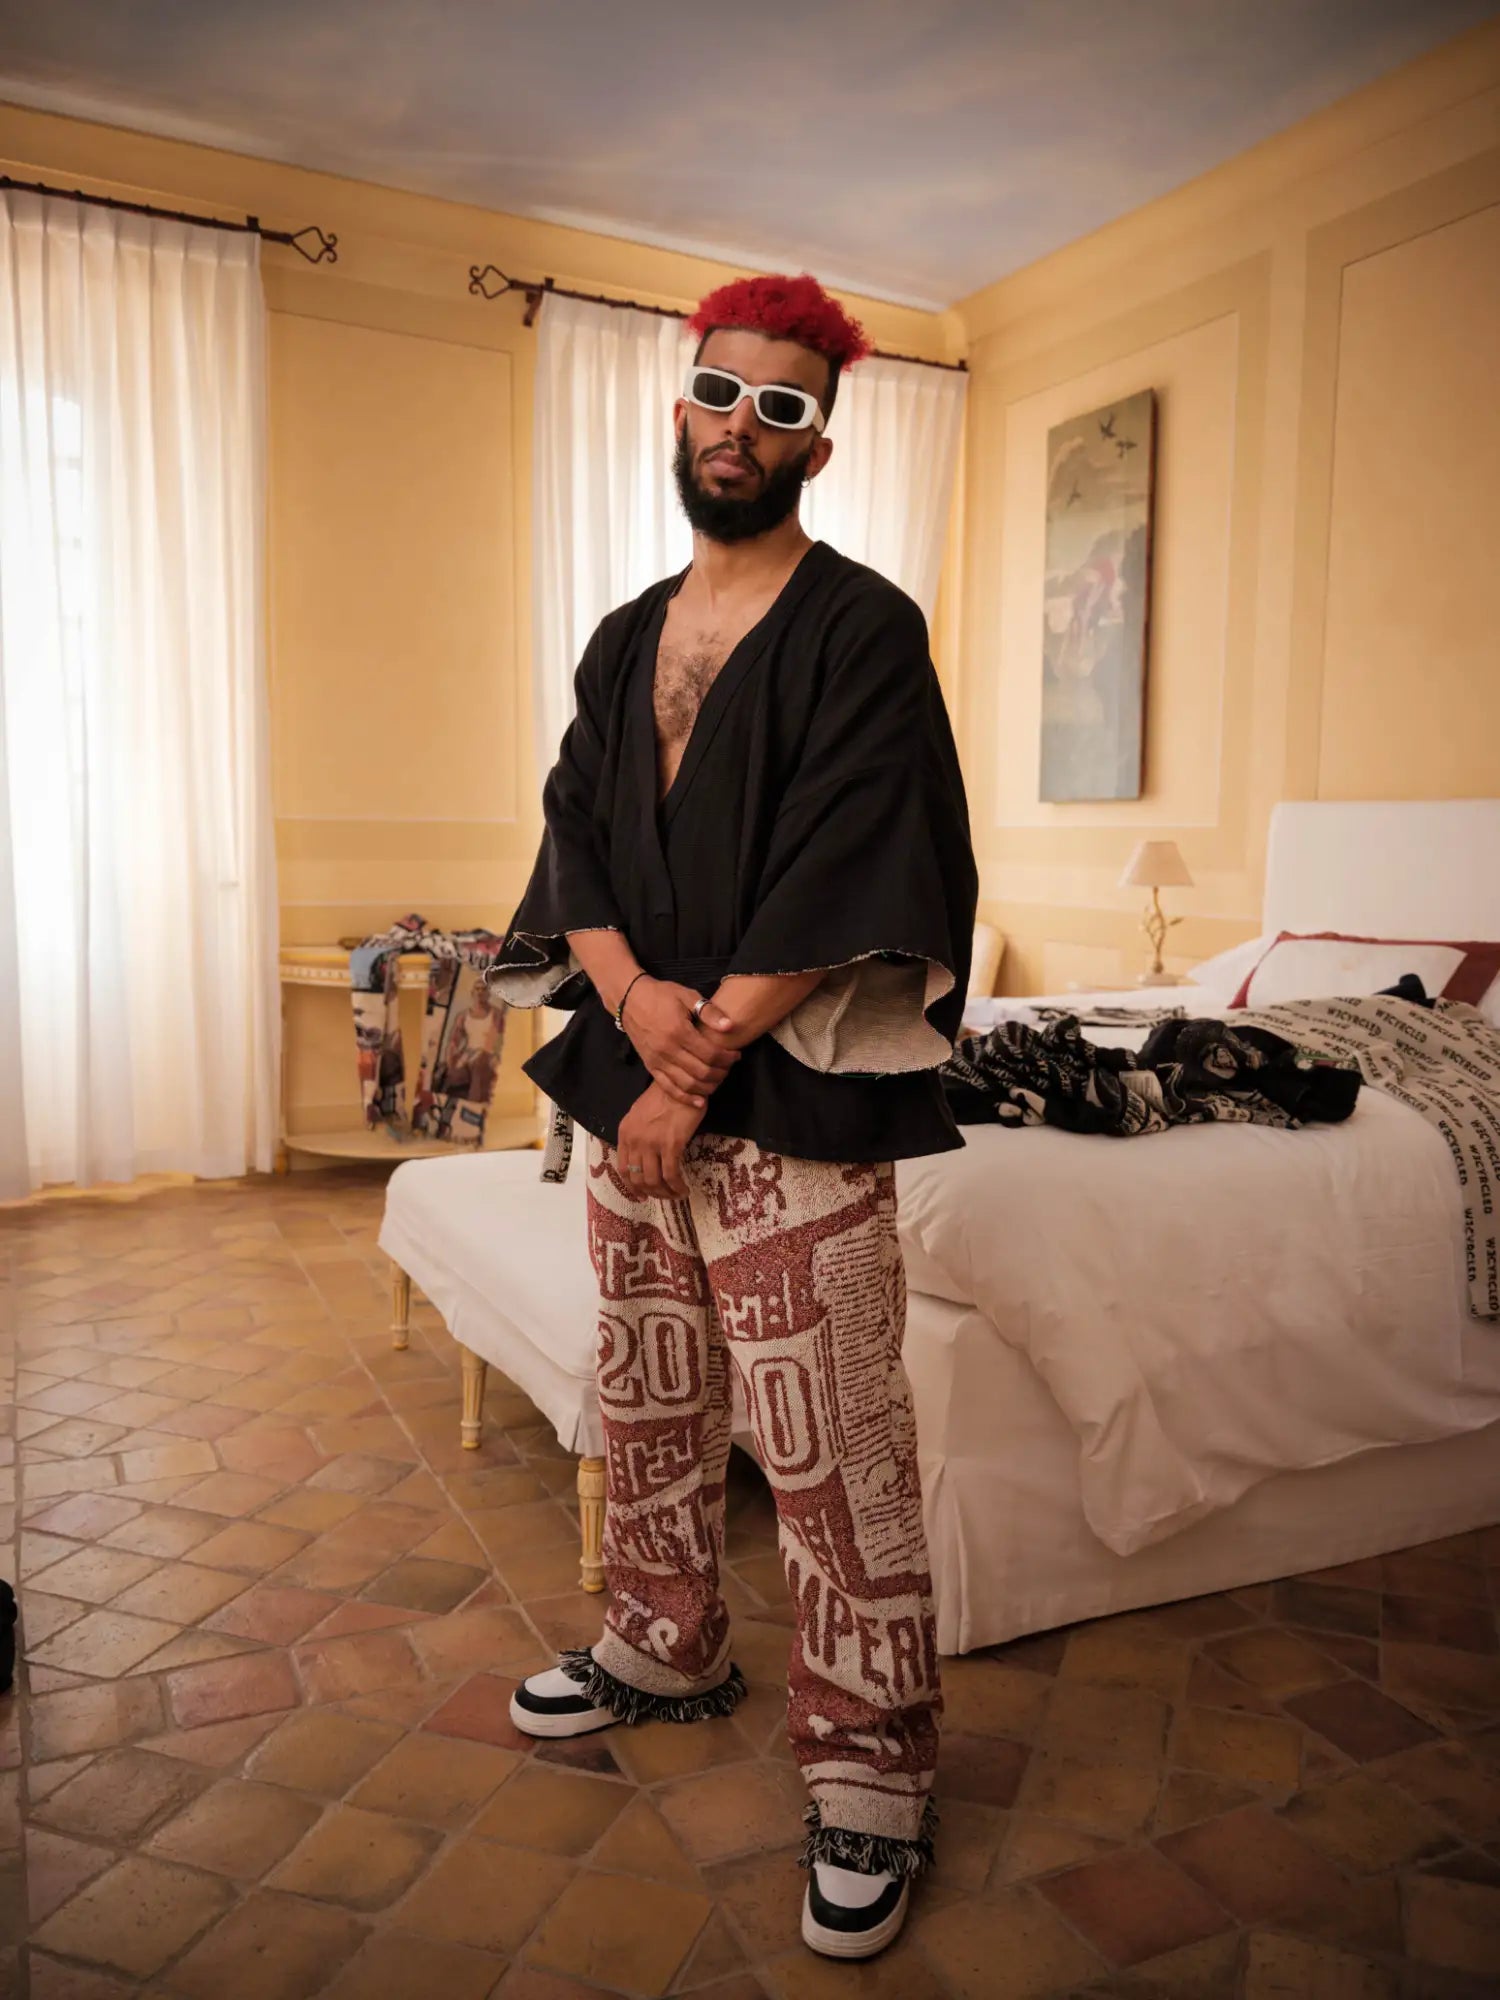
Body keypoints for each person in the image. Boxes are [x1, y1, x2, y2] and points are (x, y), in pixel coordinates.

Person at [486, 271, 977, 1960]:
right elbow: (577, 842)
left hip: (798, 1095)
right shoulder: (625, 635)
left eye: (781, 406)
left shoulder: (864, 629)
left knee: (835, 1445)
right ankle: (662, 1638)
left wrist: (691, 1071)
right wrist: (634, 1016)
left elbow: (858, 857)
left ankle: (872, 1765)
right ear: (681, 404)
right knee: (653, 1391)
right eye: (720, 392)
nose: (739, 426)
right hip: (637, 1076)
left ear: (818, 444)